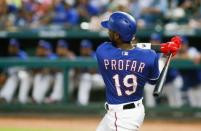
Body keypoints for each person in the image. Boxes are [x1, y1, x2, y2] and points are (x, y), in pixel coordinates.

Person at [95, 11, 181, 131]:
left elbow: (133, 47)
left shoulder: (103, 51)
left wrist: (160, 48)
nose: (108, 31)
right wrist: (162, 49)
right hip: (135, 111)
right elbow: (153, 81)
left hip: (121, 118)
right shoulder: (150, 56)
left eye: (111, 30)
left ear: (116, 36)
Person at [0, 39, 31, 103]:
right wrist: (4, 75)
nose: (12, 48)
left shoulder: (22, 54)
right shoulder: (8, 56)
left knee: (17, 76)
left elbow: (26, 68)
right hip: (14, 76)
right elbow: (6, 71)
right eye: (11, 46)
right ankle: (4, 97)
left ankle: (22, 99)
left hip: (25, 75)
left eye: (14, 46)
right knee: (12, 78)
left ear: (17, 47)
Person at [77, 39, 105, 106]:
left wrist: (83, 69)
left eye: (86, 47)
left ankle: (82, 103)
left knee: (86, 76)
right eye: (83, 48)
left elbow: (93, 71)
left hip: (99, 80)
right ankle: (82, 103)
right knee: (86, 77)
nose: (84, 49)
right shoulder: (80, 58)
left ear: (90, 48)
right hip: (86, 81)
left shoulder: (95, 56)